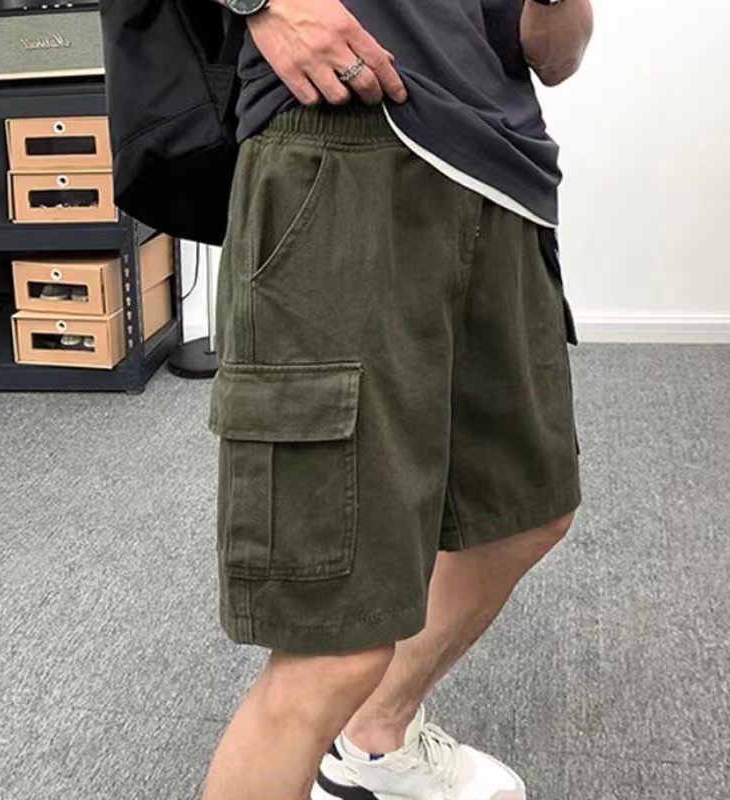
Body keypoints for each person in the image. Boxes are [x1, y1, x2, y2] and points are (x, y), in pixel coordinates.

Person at [202, 0, 594, 797]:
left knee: (524, 510)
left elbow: (556, 54)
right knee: (330, 645)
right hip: (341, 144)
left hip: (502, 180)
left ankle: (374, 738)